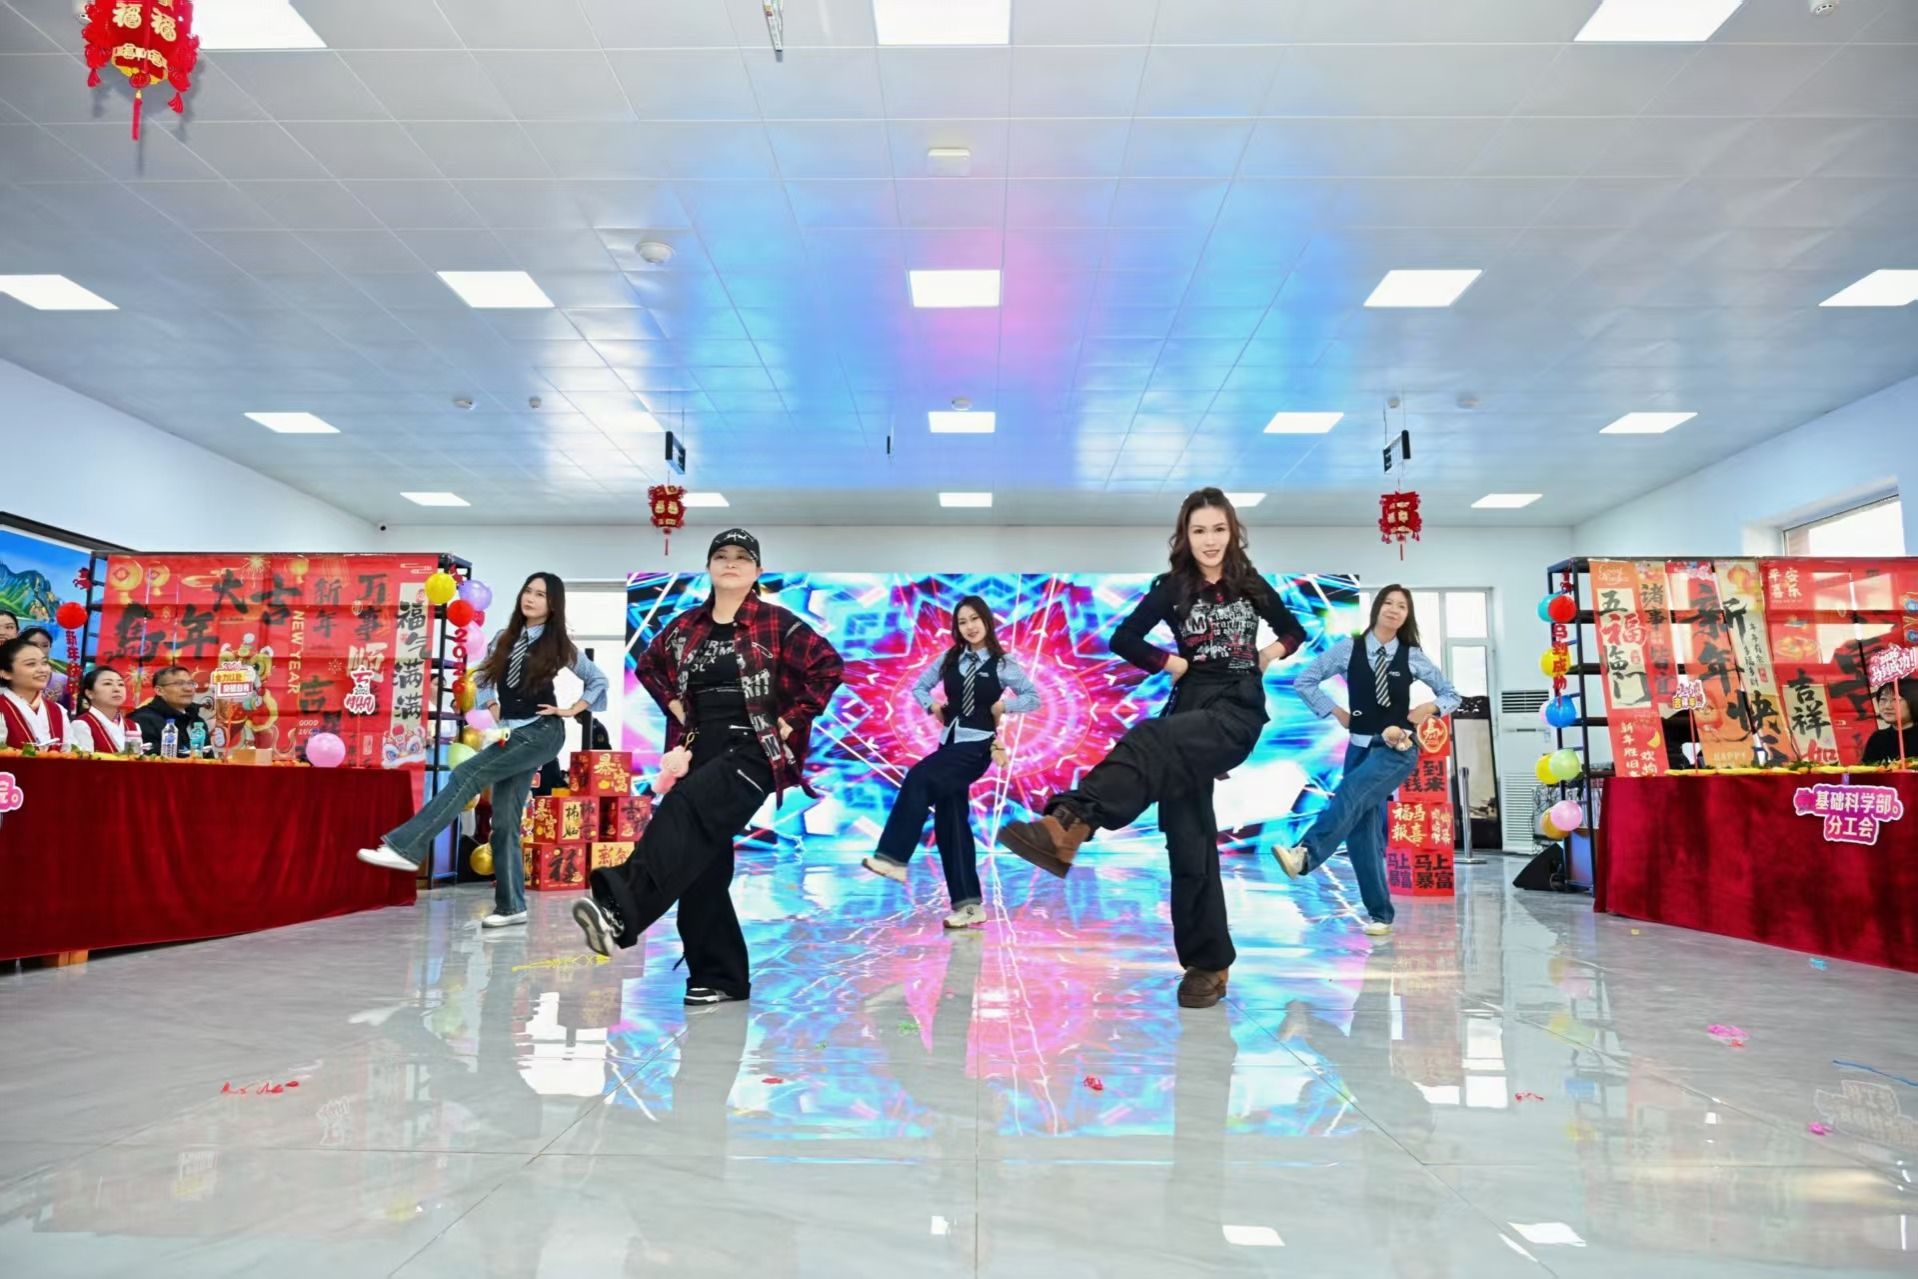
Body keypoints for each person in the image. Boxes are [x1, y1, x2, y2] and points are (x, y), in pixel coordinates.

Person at [996, 487, 1307, 1009]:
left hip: (1236, 710)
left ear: (1233, 532)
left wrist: (1267, 654)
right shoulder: (1172, 587)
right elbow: (1125, 637)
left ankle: (1071, 823)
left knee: (1148, 737)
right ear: (1185, 536)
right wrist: (1171, 662)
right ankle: (1208, 963)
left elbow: (1293, 630)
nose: (1210, 540)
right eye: (1199, 530)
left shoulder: (1251, 584)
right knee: (1188, 841)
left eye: (1219, 529)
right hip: (1189, 708)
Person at [571, 529, 844, 1006]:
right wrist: (675, 705)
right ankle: (719, 977)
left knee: (682, 809)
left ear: (757, 571)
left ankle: (619, 908)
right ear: (709, 567)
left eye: (742, 557)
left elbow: (828, 666)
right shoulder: (685, 626)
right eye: (721, 556)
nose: (731, 563)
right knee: (702, 866)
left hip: (754, 749)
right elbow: (650, 665)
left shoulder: (779, 623)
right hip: (700, 747)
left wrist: (790, 720)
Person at [359, 573, 608, 930]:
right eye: (528, 591)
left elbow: (598, 679)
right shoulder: (503, 638)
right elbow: (483, 677)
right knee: (505, 822)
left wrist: (571, 709)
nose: (531, 598)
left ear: (553, 604)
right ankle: (511, 907)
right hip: (513, 732)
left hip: (542, 732)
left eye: (541, 595)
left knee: (466, 773)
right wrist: (491, 705)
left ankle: (405, 848)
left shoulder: (559, 645)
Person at [1274, 586, 1461, 938]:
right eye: (1388, 603)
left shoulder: (1412, 655)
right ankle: (1381, 914)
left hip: (1397, 749)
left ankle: (1305, 855)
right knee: (1362, 835)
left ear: (1407, 615)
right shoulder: (1349, 649)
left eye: (1402, 606)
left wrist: (1429, 707)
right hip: (1359, 748)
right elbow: (1305, 681)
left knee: (1349, 793)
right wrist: (1336, 712)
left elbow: (1452, 694)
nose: (1394, 610)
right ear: (1376, 608)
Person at [862, 596, 1042, 928]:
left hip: (977, 747)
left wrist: (1004, 707)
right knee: (952, 823)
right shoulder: (949, 659)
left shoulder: (1003, 663)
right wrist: (932, 707)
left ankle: (893, 857)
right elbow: (920, 687)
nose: (970, 626)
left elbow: (1033, 698)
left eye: (975, 619)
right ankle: (969, 906)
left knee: (918, 778)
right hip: (949, 744)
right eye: (962, 622)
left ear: (987, 621)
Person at [0, 636, 70, 749]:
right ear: (6, 673)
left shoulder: (58, 710)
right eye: (31, 664)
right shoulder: (2, 708)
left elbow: (70, 753)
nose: (43, 670)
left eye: (44, 662)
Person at [130, 664, 206, 753]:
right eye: (179, 683)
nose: (188, 689)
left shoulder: (197, 721)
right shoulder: (143, 719)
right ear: (159, 691)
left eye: (191, 683)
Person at [69, 666, 135, 754]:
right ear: (90, 693)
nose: (117, 689)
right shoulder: (82, 724)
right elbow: (84, 761)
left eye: (121, 684)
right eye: (107, 683)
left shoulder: (132, 726)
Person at [1863, 677, 1918, 766]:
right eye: (1883, 699)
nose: (1887, 706)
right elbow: (1868, 770)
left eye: (1895, 700)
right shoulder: (1878, 739)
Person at [18, 625, 66, 706]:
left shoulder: (62, 679)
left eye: (45, 645)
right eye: (33, 645)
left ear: (50, 647)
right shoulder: (14, 675)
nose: (39, 649)